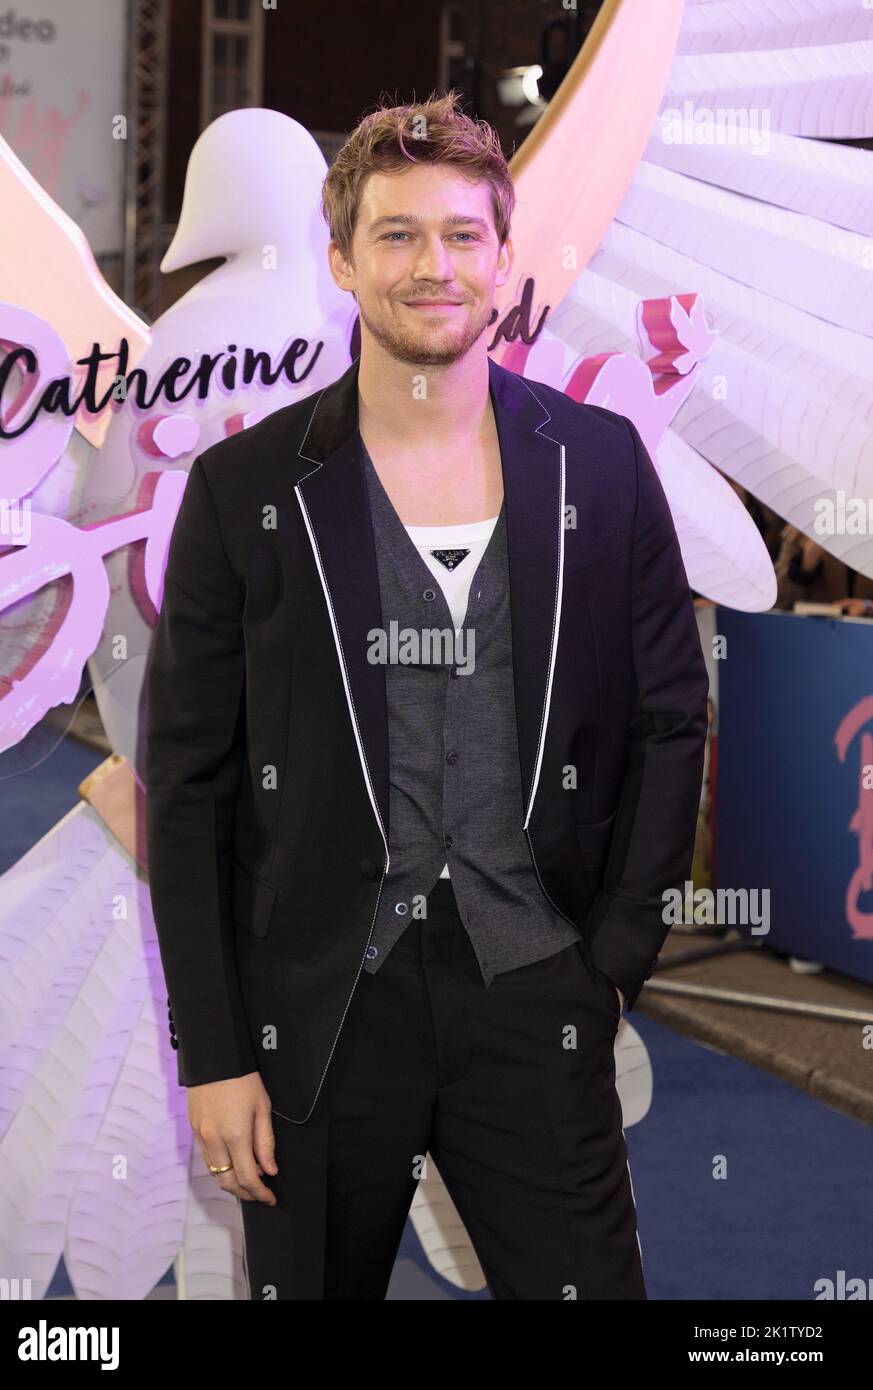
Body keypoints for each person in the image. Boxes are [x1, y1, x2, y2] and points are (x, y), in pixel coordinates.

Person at [144, 89, 709, 1300]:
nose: (431, 266)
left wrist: (612, 956)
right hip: (319, 1011)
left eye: (461, 236)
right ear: (341, 260)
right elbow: (186, 790)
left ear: (504, 263)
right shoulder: (244, 489)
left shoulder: (600, 466)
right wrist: (217, 1051)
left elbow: (671, 719)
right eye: (396, 235)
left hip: (537, 993)